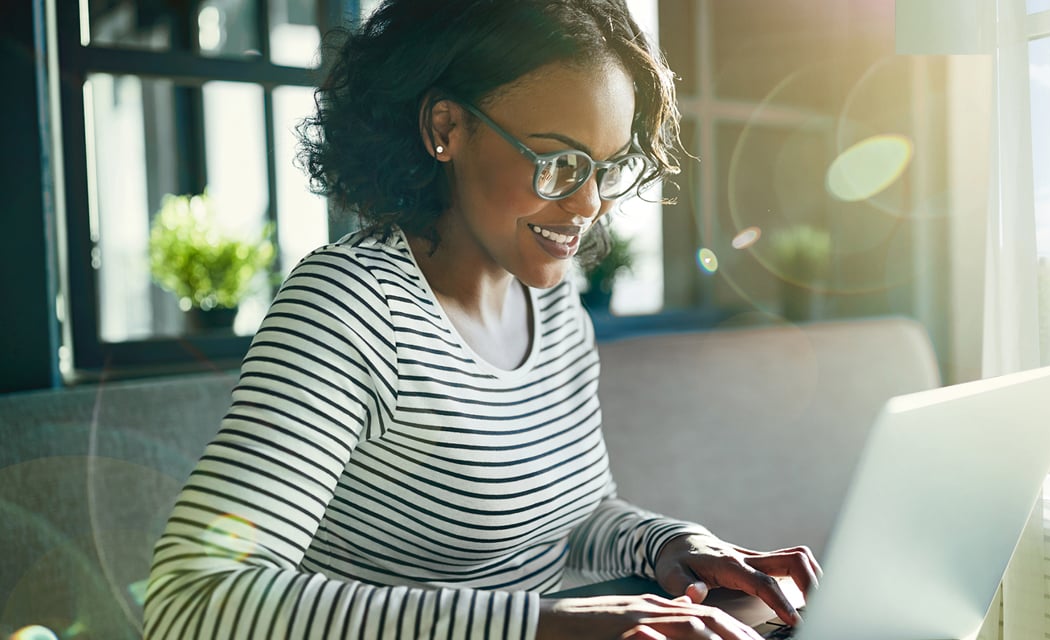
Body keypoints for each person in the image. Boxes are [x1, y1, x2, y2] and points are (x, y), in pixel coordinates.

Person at [144, 1, 821, 638]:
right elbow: (194, 596)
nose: (588, 205)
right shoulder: (349, 308)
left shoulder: (551, 305)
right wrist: (548, 625)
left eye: (607, 168)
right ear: (447, 129)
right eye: (559, 163)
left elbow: (573, 515)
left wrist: (674, 543)